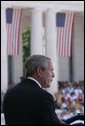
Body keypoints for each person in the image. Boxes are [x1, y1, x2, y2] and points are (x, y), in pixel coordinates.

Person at [3, 55, 84, 125]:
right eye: (51, 70)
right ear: (39, 71)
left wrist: (76, 117)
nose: (53, 75)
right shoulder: (43, 96)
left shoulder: (10, 92)